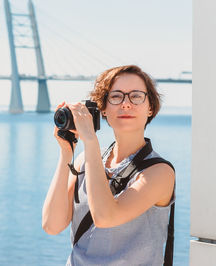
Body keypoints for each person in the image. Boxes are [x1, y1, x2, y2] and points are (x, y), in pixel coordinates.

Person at [42, 65, 175, 265]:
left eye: (136, 96)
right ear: (103, 109)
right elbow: (52, 225)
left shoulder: (159, 172)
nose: (126, 104)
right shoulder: (85, 161)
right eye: (116, 97)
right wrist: (66, 154)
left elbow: (106, 216)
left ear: (151, 108)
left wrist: (90, 142)